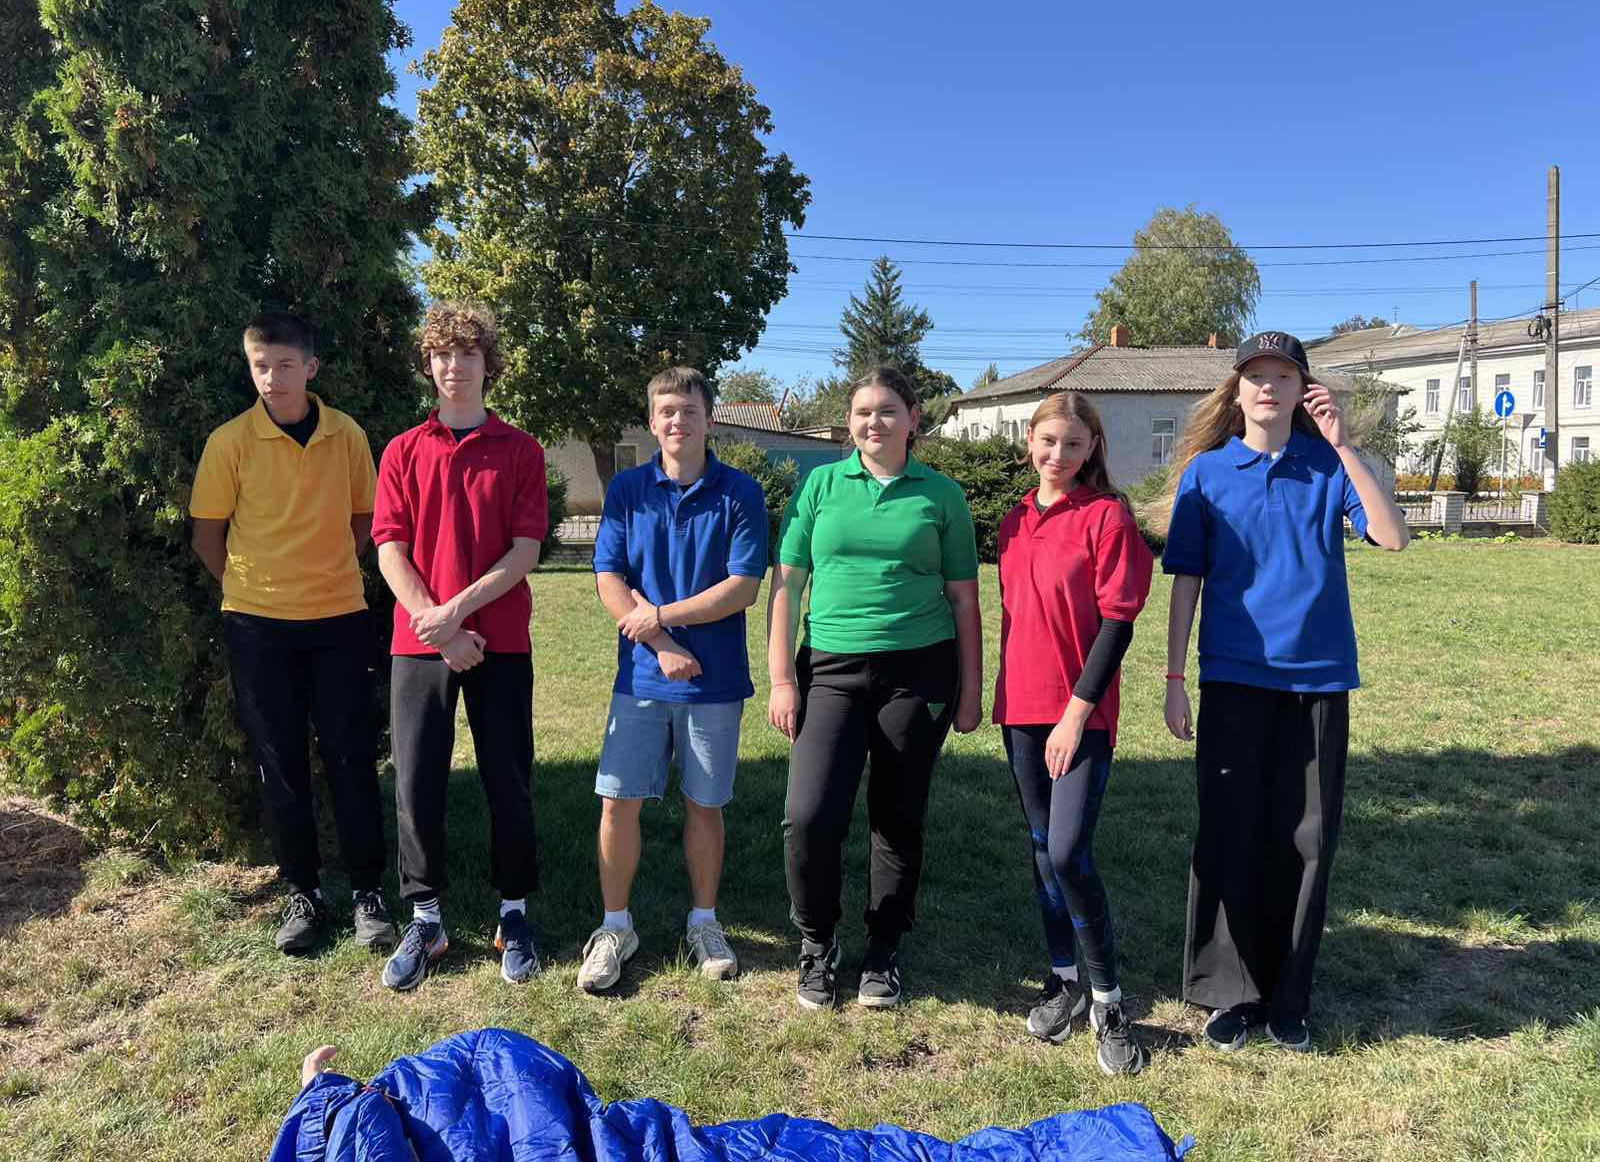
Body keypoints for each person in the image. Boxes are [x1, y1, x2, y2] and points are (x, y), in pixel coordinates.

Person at [1157, 331, 1409, 1053]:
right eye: (1256, 375)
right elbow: (1186, 583)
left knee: (1306, 840)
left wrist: (1344, 444)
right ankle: (1230, 993)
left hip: (1318, 679)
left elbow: (1391, 537)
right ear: (1237, 390)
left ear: (1303, 391)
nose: (1268, 386)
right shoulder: (1208, 473)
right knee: (1230, 830)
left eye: (1284, 376)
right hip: (1233, 677)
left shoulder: (1328, 466)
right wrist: (1174, 680)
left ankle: (1289, 996)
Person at [767, 367, 982, 1011]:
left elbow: (964, 599)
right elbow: (787, 587)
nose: (874, 422)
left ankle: (884, 948)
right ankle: (817, 940)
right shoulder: (820, 485)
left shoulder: (942, 495)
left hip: (918, 673)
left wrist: (972, 691)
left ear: (914, 418)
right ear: (849, 421)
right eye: (863, 411)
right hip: (829, 670)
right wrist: (781, 679)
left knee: (897, 816)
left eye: (888, 410)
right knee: (809, 816)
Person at [190, 311, 394, 955]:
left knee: (350, 757)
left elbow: (364, 519)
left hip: (339, 619)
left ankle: (368, 893)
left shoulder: (347, 434)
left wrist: (325, 570)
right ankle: (302, 893)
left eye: (284, 365)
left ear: (310, 368)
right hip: (257, 627)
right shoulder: (229, 441)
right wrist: (253, 588)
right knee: (279, 762)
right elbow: (207, 534)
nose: (272, 378)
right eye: (260, 366)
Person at [370, 302, 548, 991]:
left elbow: (525, 550)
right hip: (419, 644)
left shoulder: (521, 450)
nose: (454, 366)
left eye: (467, 353)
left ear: (487, 364)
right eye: (442, 354)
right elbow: (390, 547)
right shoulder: (402, 450)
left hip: (498, 640)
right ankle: (427, 920)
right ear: (429, 365)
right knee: (416, 780)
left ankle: (514, 914)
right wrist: (437, 625)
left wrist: (455, 615)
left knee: (509, 778)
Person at [276, 1029, 1193, 1162]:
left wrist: (327, 1098)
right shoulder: (370, 1107)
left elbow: (525, 1081)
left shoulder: (395, 1100)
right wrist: (326, 1094)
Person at [579, 366, 769, 994]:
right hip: (640, 678)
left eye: (689, 410)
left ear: (708, 419)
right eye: (666, 410)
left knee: (705, 806)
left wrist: (659, 615)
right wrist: (660, 644)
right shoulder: (628, 489)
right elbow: (609, 578)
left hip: (714, 682)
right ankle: (615, 927)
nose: (677, 421)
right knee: (617, 803)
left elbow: (742, 587)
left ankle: (704, 921)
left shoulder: (740, 491)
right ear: (652, 420)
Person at [993, 392, 1153, 1076]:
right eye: (1048, 441)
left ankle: (1109, 1001)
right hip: (1021, 709)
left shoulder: (1107, 516)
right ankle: (1064, 981)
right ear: (1030, 441)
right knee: (1040, 850)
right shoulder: (1014, 520)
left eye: (1074, 444)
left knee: (1068, 852)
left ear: (1093, 450)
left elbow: (1118, 622)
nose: (1059, 455)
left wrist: (1077, 712)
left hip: (1079, 715)